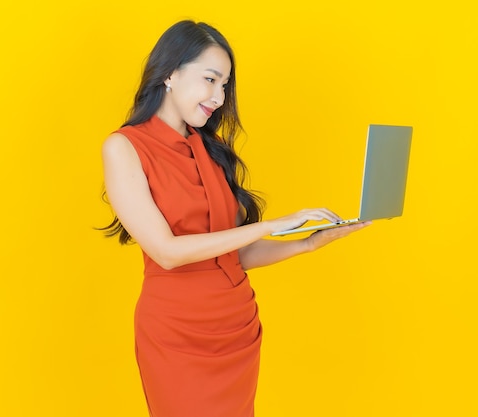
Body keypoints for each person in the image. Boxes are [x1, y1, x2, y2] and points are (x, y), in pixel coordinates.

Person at [100, 20, 370, 417]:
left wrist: (307, 242)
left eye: (224, 85)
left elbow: (231, 255)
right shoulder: (123, 147)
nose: (219, 96)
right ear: (171, 73)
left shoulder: (214, 148)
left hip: (237, 327)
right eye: (210, 79)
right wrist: (272, 225)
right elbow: (167, 252)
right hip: (177, 334)